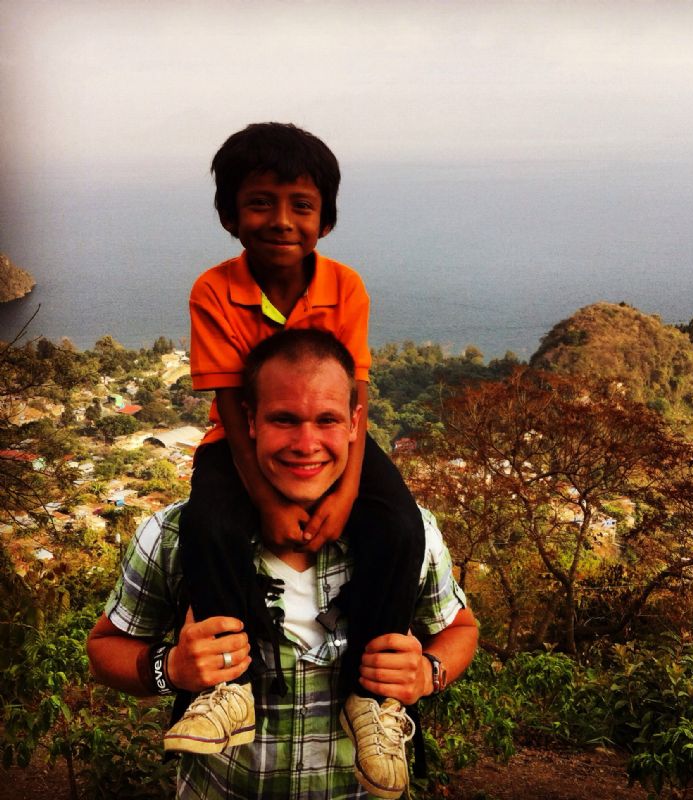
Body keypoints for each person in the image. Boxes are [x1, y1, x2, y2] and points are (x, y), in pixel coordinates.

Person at [87, 329, 478, 799]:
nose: (306, 443)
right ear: (249, 421)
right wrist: (170, 668)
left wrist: (428, 673)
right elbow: (104, 648)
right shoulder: (176, 534)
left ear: (355, 423)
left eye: (327, 420)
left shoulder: (406, 535)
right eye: (284, 419)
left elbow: (459, 628)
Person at [174, 123, 428, 795]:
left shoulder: (345, 287)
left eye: (301, 205)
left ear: (326, 219)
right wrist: (266, 500)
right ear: (230, 215)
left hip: (334, 437)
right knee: (208, 526)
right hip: (243, 438)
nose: (281, 220)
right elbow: (232, 407)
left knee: (400, 527)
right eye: (260, 202)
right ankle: (229, 688)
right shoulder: (213, 290)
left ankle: (373, 695)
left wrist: (343, 496)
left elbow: (355, 396)